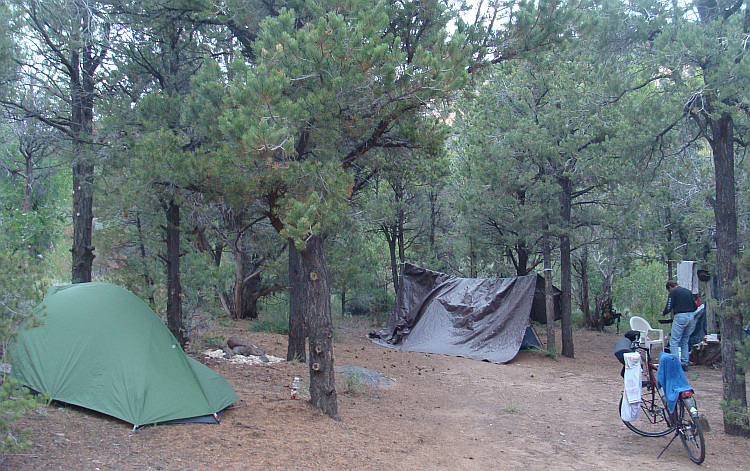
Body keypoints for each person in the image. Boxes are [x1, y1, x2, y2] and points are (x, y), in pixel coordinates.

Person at [661, 280, 698, 370]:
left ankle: (675, 364)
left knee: (674, 341)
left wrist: (664, 313)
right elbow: (695, 306)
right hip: (690, 316)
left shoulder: (673, 292)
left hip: (680, 316)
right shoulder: (688, 291)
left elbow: (669, 306)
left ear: (669, 287)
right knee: (685, 340)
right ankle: (685, 363)